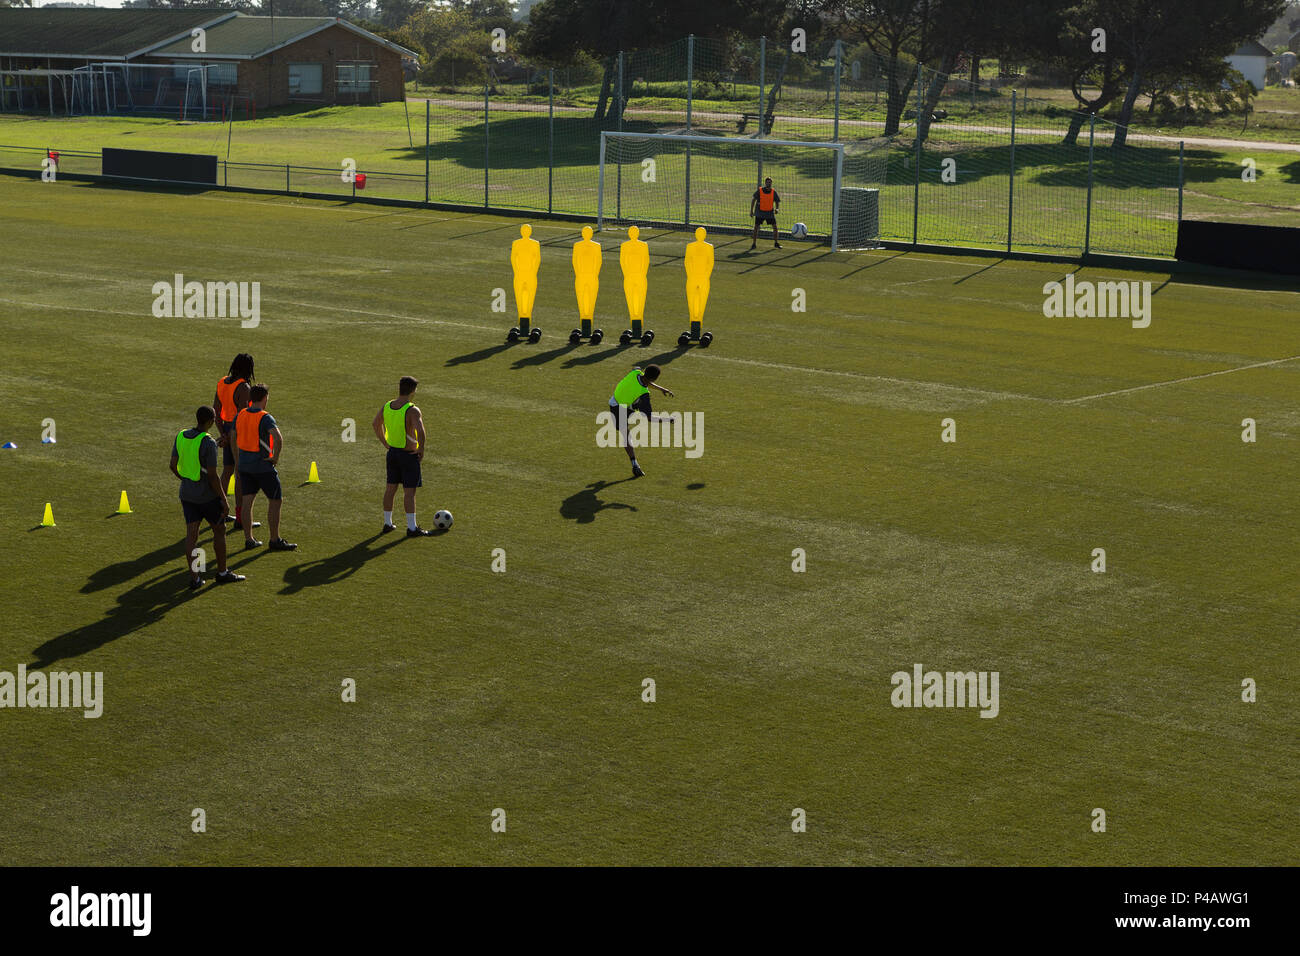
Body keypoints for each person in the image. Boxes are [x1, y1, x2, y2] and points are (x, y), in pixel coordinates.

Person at [170, 405, 245, 590]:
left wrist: (186, 480)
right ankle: (222, 572)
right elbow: (213, 476)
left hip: (187, 495)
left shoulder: (181, 436)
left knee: (192, 537)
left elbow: (172, 465)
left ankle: (195, 579)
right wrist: (225, 500)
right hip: (207, 498)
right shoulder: (208, 442)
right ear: (211, 422)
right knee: (219, 531)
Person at [234, 383, 296, 551]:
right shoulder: (265, 417)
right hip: (262, 466)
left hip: (244, 464)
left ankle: (249, 539)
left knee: (247, 501)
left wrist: (238, 459)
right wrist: (275, 458)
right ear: (264, 398)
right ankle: (274, 539)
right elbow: (278, 438)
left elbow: (233, 435)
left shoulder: (240, 414)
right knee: (276, 500)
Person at [371, 375, 434, 537]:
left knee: (390, 488)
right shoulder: (412, 409)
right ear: (413, 391)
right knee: (409, 492)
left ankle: (387, 523)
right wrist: (421, 449)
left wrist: (385, 443)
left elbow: (375, 424)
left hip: (392, 454)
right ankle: (412, 528)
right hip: (408, 456)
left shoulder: (388, 405)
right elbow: (420, 431)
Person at [213, 353, 259, 533]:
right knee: (240, 473)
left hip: (225, 427)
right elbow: (241, 416)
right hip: (238, 431)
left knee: (228, 470)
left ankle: (221, 510)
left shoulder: (223, 382)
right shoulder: (244, 388)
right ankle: (241, 518)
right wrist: (231, 437)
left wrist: (223, 434)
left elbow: (216, 409)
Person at [608, 364, 674, 479]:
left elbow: (641, 375)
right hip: (623, 408)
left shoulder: (636, 372)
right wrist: (668, 419)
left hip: (614, 402)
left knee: (625, 433)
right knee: (627, 433)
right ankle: (635, 465)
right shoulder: (644, 394)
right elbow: (649, 418)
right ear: (654, 379)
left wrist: (661, 389)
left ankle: (634, 463)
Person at [750, 177, 782, 249]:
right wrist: (751, 211)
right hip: (760, 212)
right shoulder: (760, 190)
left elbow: (777, 201)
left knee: (775, 227)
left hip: (769, 213)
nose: (769, 184)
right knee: (756, 227)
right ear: (765, 183)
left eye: (770, 182)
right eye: (767, 182)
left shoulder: (773, 192)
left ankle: (776, 243)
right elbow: (753, 200)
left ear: (771, 183)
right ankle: (754, 244)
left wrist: (777, 208)